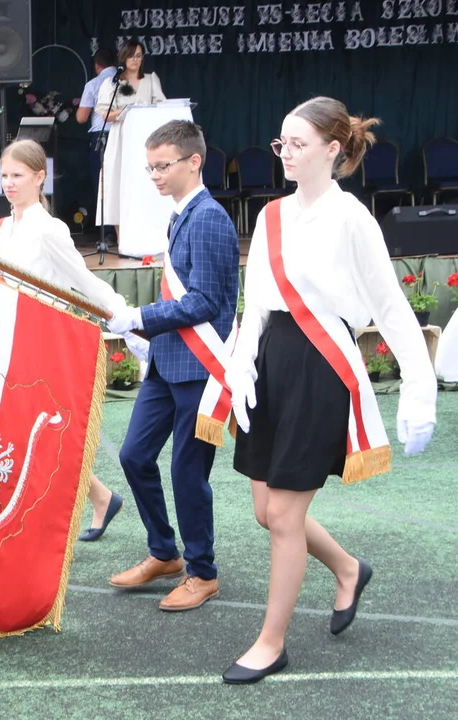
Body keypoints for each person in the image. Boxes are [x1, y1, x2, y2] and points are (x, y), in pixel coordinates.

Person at [221, 97, 437, 684]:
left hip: (322, 366)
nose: (285, 154)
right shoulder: (269, 217)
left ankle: (271, 642)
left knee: (286, 516)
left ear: (332, 149)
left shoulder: (353, 220)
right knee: (266, 511)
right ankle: (347, 569)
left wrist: (420, 388)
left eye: (297, 144)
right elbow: (256, 307)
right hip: (270, 363)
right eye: (280, 144)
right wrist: (240, 367)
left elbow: (392, 310)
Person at [105, 121, 240, 610]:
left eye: (163, 165)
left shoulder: (207, 218)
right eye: (150, 167)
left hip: (201, 371)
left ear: (193, 161)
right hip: (170, 363)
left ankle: (202, 571)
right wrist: (148, 333)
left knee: (187, 473)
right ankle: (165, 552)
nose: (155, 175)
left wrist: (141, 316)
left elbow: (204, 302)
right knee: (134, 456)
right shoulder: (182, 215)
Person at [0, 139, 147, 539]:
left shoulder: (49, 230)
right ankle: (98, 497)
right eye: (5, 175)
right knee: (22, 428)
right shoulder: (1, 228)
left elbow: (84, 281)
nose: (9, 183)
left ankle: (74, 504)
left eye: (18, 176)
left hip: (41, 340)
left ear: (39, 177)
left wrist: (126, 318)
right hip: (6, 336)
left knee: (40, 428)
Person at [96, 39, 166, 238]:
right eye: (131, 55)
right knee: (118, 184)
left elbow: (161, 106)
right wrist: (125, 111)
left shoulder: (151, 79)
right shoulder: (113, 82)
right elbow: (103, 112)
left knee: (146, 185)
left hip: (146, 137)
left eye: (139, 56)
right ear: (123, 57)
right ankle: (122, 239)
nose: (135, 60)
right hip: (121, 137)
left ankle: (149, 236)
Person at [76, 48, 118, 233]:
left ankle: (106, 232)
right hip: (123, 134)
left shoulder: (95, 84)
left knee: (102, 183)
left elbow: (81, 117)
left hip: (102, 136)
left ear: (97, 65)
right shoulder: (126, 81)